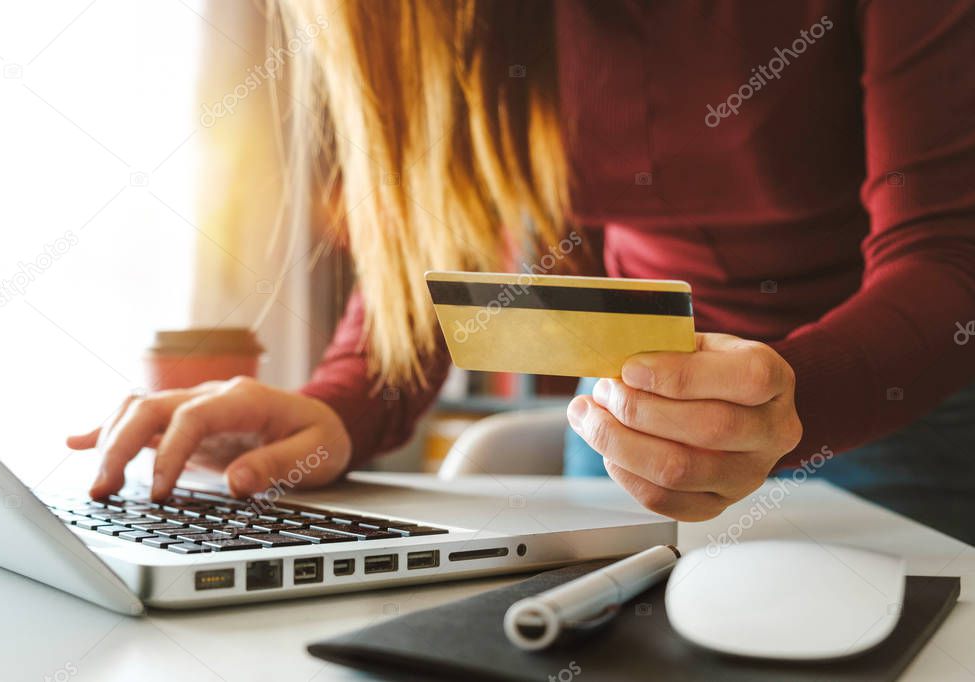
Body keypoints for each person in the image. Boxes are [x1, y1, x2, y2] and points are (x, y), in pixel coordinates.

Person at [67, 1, 974, 540]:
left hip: (899, 405)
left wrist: (787, 401)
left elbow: (949, 257)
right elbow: (438, 225)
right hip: (627, 426)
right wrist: (335, 406)